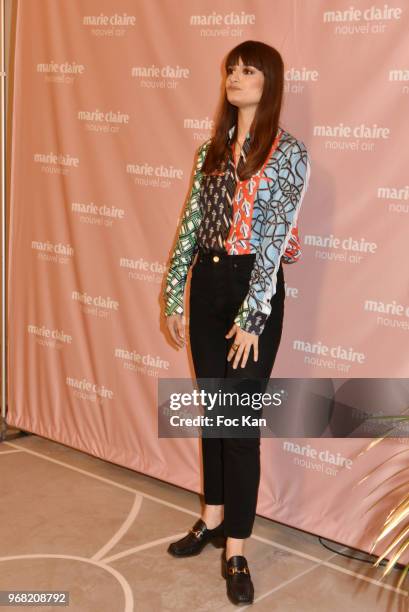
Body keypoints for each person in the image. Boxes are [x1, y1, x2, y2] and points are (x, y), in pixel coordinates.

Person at [163, 40, 311, 606]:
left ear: (268, 81)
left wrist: (253, 315)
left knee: (240, 423)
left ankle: (238, 550)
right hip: (209, 283)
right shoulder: (212, 152)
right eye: (231, 70)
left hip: (255, 287)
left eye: (248, 71)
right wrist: (175, 296)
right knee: (212, 412)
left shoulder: (288, 152)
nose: (236, 78)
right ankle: (212, 520)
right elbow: (192, 226)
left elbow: (273, 242)